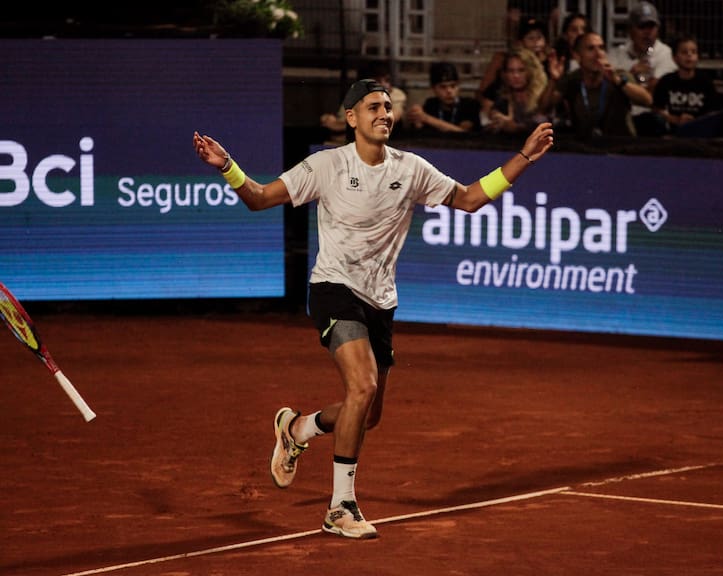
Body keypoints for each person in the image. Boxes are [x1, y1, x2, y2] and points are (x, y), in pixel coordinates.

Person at [192, 79, 554, 539]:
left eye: (388, 107)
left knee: (368, 413)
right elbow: (260, 199)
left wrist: (522, 159)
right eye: (373, 107)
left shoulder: (412, 168)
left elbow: (468, 199)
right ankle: (340, 508)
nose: (385, 114)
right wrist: (227, 166)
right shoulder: (327, 165)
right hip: (332, 289)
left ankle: (298, 429)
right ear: (351, 118)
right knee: (362, 386)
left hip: (380, 301)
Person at [540, 31, 653, 140]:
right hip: (585, 149)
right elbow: (544, 108)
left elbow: (647, 100)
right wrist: (553, 80)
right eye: (591, 48)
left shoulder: (619, 76)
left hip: (622, 146)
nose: (598, 53)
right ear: (577, 55)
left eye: (601, 48)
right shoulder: (572, 80)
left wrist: (617, 81)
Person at [607, 1, 677, 136]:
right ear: (630, 30)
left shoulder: (666, 54)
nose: (647, 33)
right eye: (642, 26)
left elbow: (652, 97)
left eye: (651, 27)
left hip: (655, 117)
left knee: (653, 121)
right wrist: (631, 74)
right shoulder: (616, 55)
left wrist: (626, 84)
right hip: (623, 115)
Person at [320, 60, 407, 143]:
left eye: (387, 80)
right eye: (377, 81)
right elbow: (340, 122)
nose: (384, 85)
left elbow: (391, 118)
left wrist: (341, 125)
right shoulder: (355, 95)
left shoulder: (396, 94)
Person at [652, 34, 721, 135]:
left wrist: (695, 121)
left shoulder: (705, 81)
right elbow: (657, 109)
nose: (689, 55)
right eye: (684, 52)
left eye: (693, 52)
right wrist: (675, 119)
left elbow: (713, 112)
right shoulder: (666, 81)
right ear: (674, 57)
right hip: (673, 131)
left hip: (700, 131)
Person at [482, 48, 550, 135]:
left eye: (521, 70)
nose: (516, 76)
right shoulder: (503, 98)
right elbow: (495, 119)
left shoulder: (543, 96)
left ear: (531, 72)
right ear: (505, 74)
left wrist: (516, 128)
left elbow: (541, 123)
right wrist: (497, 122)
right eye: (511, 71)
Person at [406, 61, 482, 134]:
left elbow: (463, 133)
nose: (449, 91)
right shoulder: (430, 104)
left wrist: (426, 118)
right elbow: (422, 133)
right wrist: (417, 120)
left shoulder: (470, 105)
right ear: (433, 89)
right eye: (443, 87)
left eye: (453, 86)